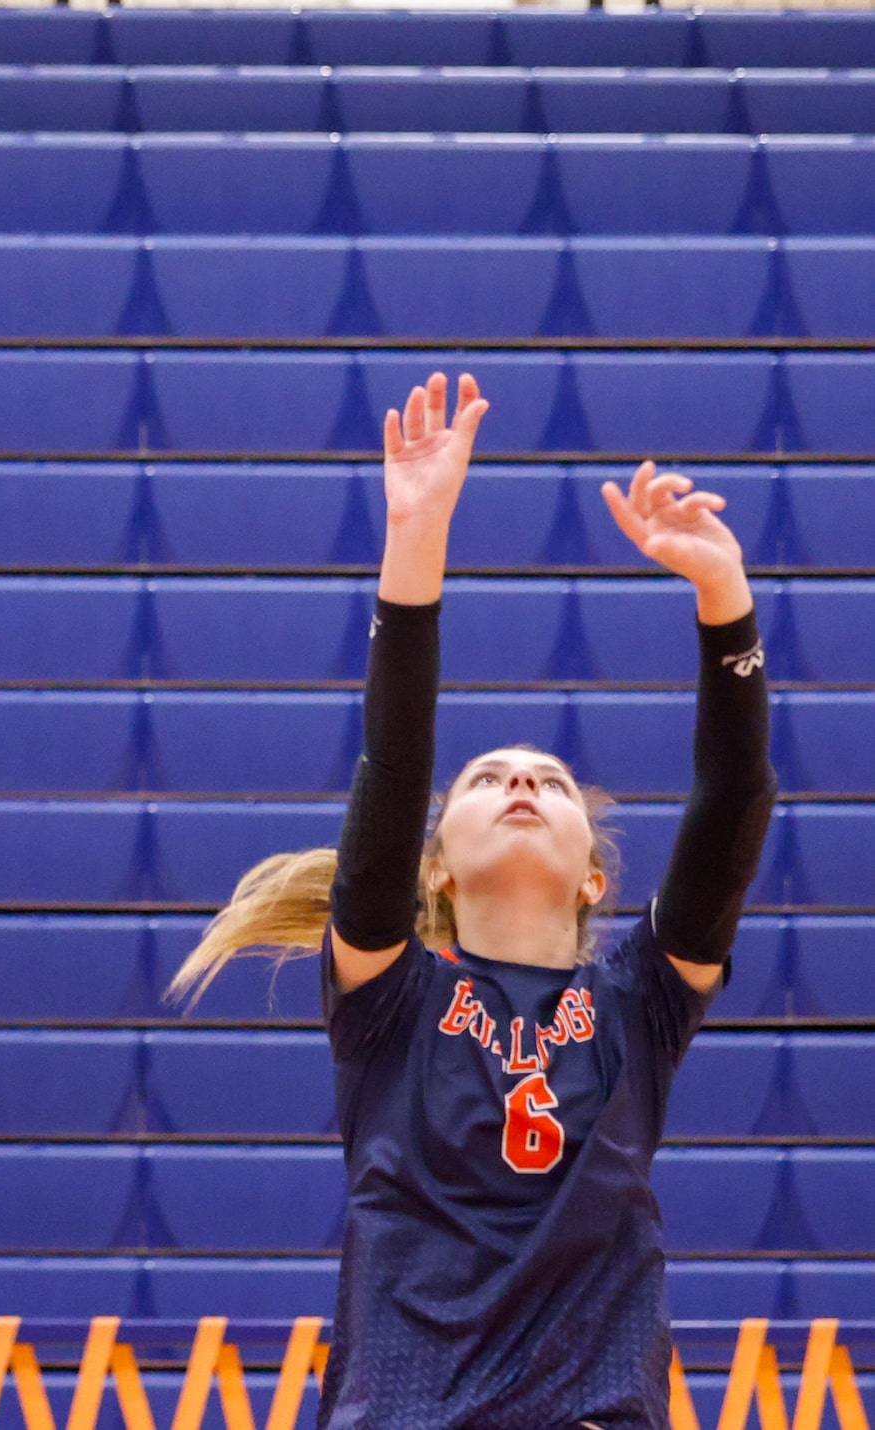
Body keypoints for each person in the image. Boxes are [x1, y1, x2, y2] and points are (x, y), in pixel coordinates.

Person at [171, 373, 775, 1430]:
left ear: (595, 876)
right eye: (491, 777)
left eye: (548, 779)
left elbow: (734, 802)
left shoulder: (643, 1000)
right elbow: (395, 768)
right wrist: (416, 537)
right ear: (433, 865)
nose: (523, 785)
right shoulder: (387, 993)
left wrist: (724, 601)